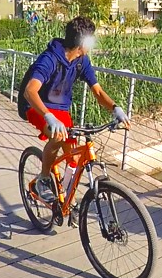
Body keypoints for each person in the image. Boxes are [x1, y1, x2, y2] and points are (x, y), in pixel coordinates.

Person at [23, 16, 130, 202]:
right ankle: (44, 179)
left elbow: (97, 91)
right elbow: (29, 91)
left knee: (72, 156)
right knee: (58, 136)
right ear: (82, 43)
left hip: (60, 109)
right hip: (36, 105)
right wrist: (48, 116)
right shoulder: (49, 59)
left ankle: (64, 200)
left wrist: (115, 108)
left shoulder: (82, 61)